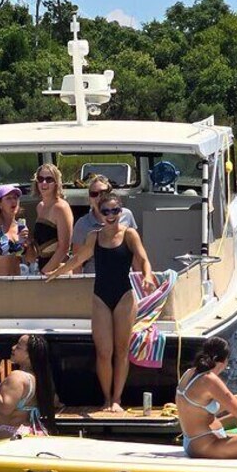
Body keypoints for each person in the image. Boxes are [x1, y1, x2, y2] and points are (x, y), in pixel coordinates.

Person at [46, 192, 155, 412]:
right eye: (106, 211)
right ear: (99, 213)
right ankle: (106, 399)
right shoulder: (94, 236)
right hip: (100, 297)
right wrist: (58, 271)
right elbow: (79, 258)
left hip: (124, 296)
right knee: (104, 352)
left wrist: (147, 276)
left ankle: (117, 399)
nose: (111, 215)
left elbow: (143, 259)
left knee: (121, 351)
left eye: (115, 210)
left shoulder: (129, 234)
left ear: (121, 211)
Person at [0, 334, 56, 439]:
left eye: (18, 346)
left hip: (12, 438)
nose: (13, 347)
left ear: (28, 354)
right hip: (27, 434)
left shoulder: (17, 377)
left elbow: (4, 408)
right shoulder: (39, 378)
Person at [71, 174, 137, 273]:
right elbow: (76, 263)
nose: (99, 197)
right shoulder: (82, 224)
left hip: (125, 277)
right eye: (94, 194)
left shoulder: (127, 215)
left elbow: (135, 253)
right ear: (89, 198)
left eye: (103, 193)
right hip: (94, 278)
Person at [31, 164, 73, 274]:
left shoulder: (61, 207)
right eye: (40, 179)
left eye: (49, 179)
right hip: (42, 268)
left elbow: (64, 247)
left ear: (56, 183)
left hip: (58, 272)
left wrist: (45, 272)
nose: (44, 183)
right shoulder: (40, 207)